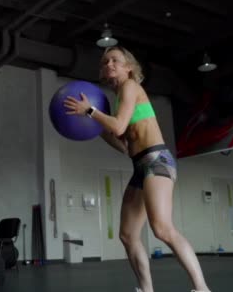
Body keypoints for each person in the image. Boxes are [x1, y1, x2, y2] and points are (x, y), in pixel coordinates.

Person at [63, 46, 211, 292]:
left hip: (157, 160)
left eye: (115, 60)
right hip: (139, 165)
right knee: (128, 235)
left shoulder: (130, 87)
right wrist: (95, 127)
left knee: (162, 229)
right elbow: (122, 144)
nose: (108, 64)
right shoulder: (120, 97)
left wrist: (90, 110)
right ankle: (146, 290)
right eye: (105, 61)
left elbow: (119, 126)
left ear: (128, 67)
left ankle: (202, 288)